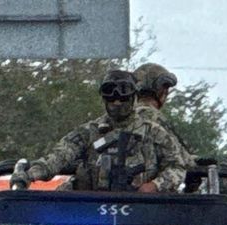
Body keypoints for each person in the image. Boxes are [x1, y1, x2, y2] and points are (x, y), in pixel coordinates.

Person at [12, 70, 188, 193]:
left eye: (123, 95)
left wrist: (155, 186)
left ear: (134, 96)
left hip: (143, 215)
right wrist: (28, 176)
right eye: (110, 95)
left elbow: (178, 167)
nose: (117, 102)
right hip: (92, 213)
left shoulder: (154, 133)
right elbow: (58, 158)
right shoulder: (88, 133)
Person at [132, 62, 195, 166]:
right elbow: (180, 157)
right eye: (165, 87)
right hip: (152, 180)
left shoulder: (126, 115)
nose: (166, 92)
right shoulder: (151, 115)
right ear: (160, 90)